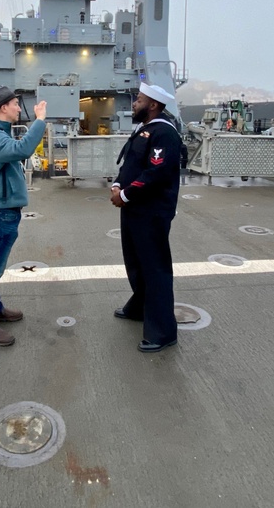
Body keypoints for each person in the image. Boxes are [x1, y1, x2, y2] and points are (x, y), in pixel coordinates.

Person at [110, 83, 182, 353]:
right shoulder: (144, 129)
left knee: (155, 270)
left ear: (153, 104)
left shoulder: (164, 133)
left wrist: (125, 195)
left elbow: (157, 173)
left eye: (139, 99)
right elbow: (130, 164)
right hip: (135, 210)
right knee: (136, 263)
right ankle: (139, 307)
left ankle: (163, 332)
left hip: (151, 213)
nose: (135, 103)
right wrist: (118, 184)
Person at [0, 86, 48, 347]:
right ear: (4, 107)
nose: (20, 108)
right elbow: (22, 150)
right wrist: (40, 120)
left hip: (6, 213)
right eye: (16, 104)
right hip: (1, 215)